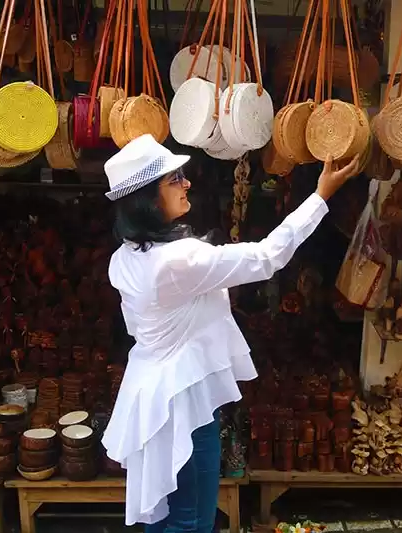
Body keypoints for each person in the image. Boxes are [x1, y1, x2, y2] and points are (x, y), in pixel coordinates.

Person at [101, 134, 360, 533]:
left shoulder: (125, 257)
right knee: (192, 520)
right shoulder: (178, 260)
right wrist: (321, 196)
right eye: (175, 180)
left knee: (168, 511)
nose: (187, 184)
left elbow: (138, 328)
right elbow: (266, 257)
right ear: (148, 200)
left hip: (149, 394)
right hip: (181, 401)